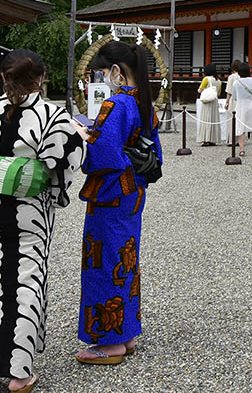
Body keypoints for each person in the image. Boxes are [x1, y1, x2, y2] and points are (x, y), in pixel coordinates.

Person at [0, 49, 85, 393]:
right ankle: (19, 375)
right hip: (31, 213)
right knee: (26, 284)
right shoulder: (54, 117)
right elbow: (68, 163)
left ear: (3, 78)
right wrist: (54, 192)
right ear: (41, 78)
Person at [75, 42, 162, 365]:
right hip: (133, 191)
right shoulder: (144, 102)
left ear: (115, 71)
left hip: (110, 193)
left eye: (103, 71)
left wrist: (85, 135)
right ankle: (125, 332)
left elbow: (104, 154)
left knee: (105, 260)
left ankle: (109, 341)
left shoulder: (115, 104)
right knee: (126, 258)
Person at [229, 61, 252, 156]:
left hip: (241, 105)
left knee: (241, 128)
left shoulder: (236, 83)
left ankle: (242, 150)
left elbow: (234, 97)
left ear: (238, 72)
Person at [196, 62, 221, 146]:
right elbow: (218, 93)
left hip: (207, 102)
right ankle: (213, 139)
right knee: (214, 119)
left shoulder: (206, 79)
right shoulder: (219, 81)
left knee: (206, 119)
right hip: (215, 101)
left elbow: (200, 90)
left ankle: (206, 139)